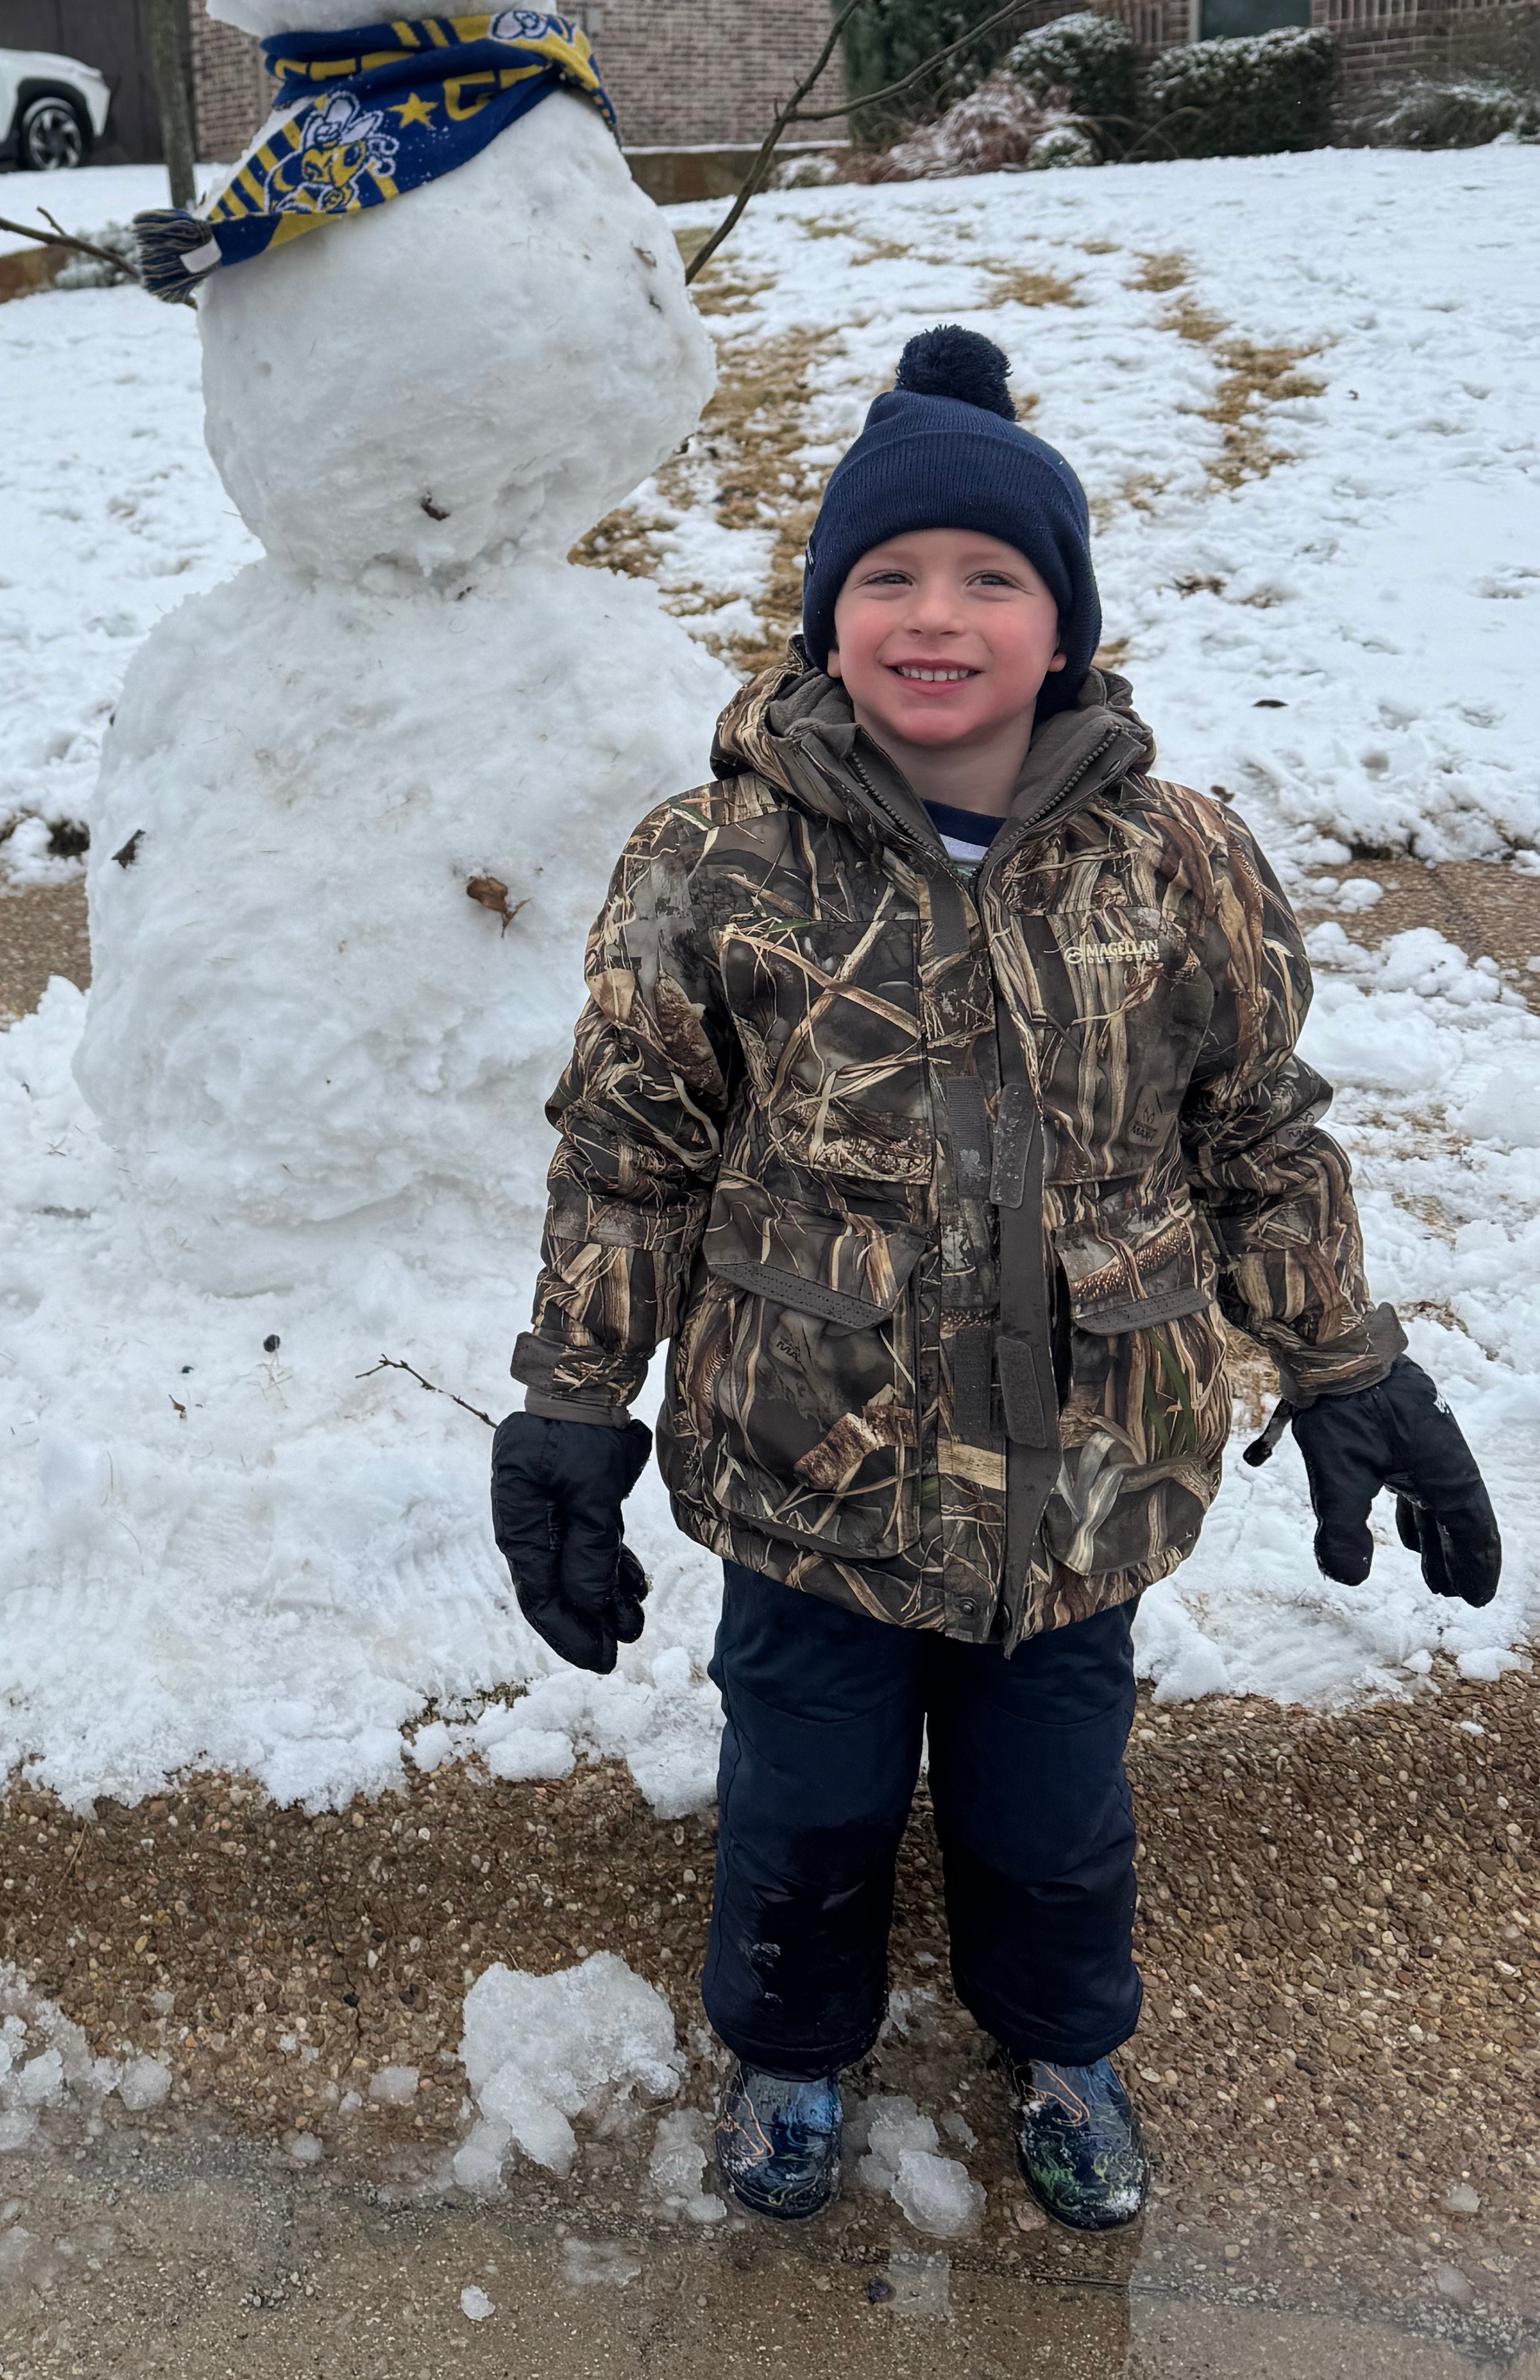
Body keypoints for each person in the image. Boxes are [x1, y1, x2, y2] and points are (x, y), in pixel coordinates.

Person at [490, 326, 1499, 2231]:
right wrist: (565, 1403)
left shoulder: (1177, 860)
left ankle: (1063, 2039)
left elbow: (1256, 1133)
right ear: (821, 619)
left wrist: (1347, 1362)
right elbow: (630, 1154)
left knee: (1052, 1814)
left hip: (1085, 1476)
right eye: (883, 578)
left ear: (1065, 627)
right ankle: (791, 2054)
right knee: (805, 1799)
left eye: (987, 579)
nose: (930, 617)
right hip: (808, 1469)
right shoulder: (714, 862)